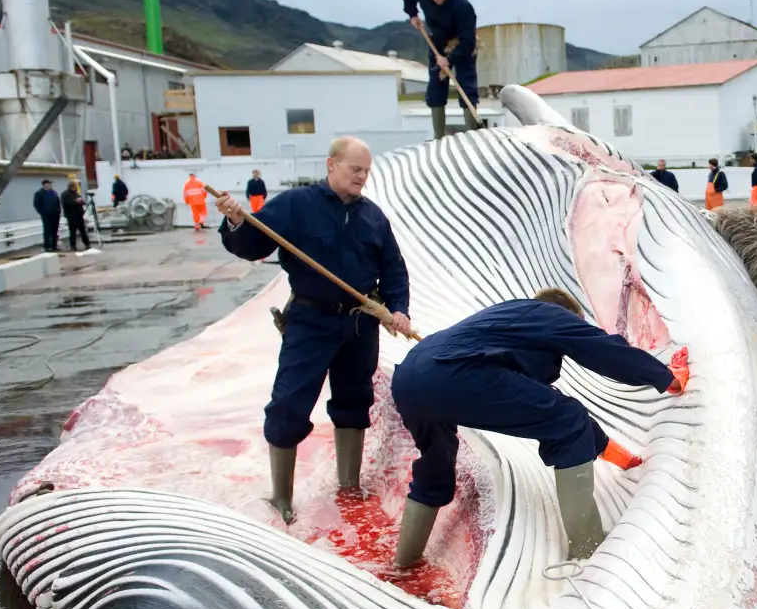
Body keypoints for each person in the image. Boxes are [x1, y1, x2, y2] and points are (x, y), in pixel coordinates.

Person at [389, 288, 690, 566]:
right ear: (566, 314)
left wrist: (621, 457)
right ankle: (587, 548)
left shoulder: (507, 320)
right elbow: (603, 350)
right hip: (455, 375)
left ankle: (404, 564)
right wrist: (665, 377)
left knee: (435, 466)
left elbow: (541, 402)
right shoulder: (547, 313)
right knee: (568, 421)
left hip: (411, 379)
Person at [214, 136, 413, 524]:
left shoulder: (373, 216)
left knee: (355, 402)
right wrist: (236, 220)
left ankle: (349, 486)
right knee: (289, 403)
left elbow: (393, 269)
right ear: (331, 165)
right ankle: (282, 498)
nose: (362, 177)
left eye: (367, 171)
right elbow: (253, 244)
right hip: (310, 320)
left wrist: (399, 309)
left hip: (360, 323)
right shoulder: (294, 206)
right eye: (355, 169)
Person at [402, 0, 479, 140]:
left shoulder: (462, 6)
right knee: (436, 85)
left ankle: (472, 135)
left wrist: (449, 59)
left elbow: (469, 42)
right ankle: (439, 135)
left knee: (466, 83)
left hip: (461, 44)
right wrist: (413, 14)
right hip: (437, 42)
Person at [61, 180, 90, 251]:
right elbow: (65, 203)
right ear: (71, 186)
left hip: (79, 214)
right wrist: (75, 201)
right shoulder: (65, 194)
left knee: (83, 230)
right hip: (71, 216)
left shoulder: (76, 193)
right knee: (73, 231)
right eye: (75, 186)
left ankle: (87, 244)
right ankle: (73, 246)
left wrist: (81, 201)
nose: (76, 187)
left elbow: (82, 202)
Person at [34, 179, 60, 252]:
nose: (51, 185)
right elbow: (36, 204)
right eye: (49, 184)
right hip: (46, 214)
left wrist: (58, 211)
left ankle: (54, 245)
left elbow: (57, 202)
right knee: (47, 230)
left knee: (54, 230)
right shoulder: (39, 193)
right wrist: (42, 212)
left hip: (55, 214)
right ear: (45, 185)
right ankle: (47, 246)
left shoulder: (53, 192)